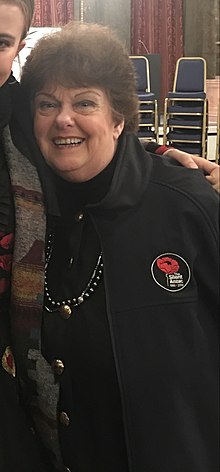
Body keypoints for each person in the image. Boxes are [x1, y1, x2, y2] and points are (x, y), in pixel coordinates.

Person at [4, 21, 218, 472]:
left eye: (85, 102)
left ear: (118, 118)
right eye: (47, 105)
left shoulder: (189, 205)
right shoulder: (35, 214)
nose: (64, 118)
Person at [0, 1, 54, 470]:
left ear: (18, 46)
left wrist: (160, 157)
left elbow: (88, 141)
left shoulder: (27, 115)